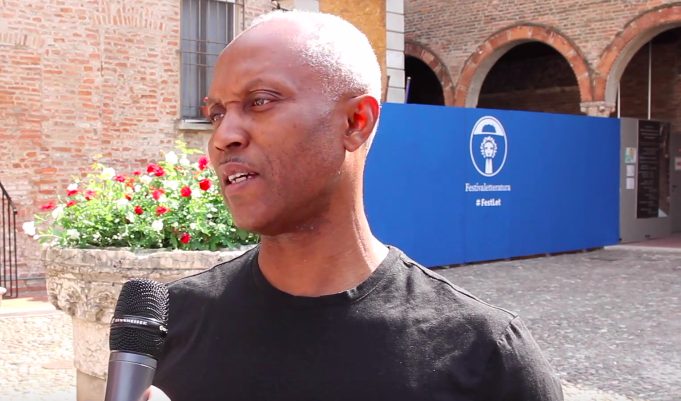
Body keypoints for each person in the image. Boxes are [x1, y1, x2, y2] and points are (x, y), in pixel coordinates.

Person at [144, 9, 564, 401]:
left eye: (260, 101)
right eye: (217, 114)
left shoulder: (484, 356)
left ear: (355, 122)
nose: (223, 137)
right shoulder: (170, 324)